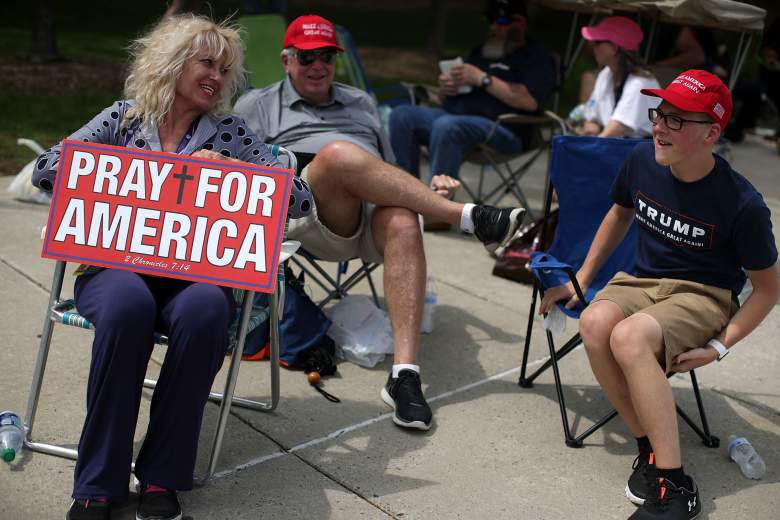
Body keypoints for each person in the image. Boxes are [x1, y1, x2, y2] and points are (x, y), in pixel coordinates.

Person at [32, 14, 313, 520]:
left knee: (207, 311)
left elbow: (299, 200)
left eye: (226, 69)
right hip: (117, 270)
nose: (217, 76)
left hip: (195, 276)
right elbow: (49, 167)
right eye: (207, 62)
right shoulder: (122, 119)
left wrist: (238, 172)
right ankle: (99, 482)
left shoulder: (232, 134)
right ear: (173, 63)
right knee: (126, 307)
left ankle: (162, 476)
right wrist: (146, 173)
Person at [235, 14, 526, 432]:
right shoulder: (256, 106)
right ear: (286, 59)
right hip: (307, 218)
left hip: (367, 215)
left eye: (328, 57)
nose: (318, 66)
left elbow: (389, 171)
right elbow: (245, 176)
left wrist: (429, 190)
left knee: (405, 219)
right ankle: (465, 218)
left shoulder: (360, 102)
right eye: (307, 57)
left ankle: (405, 376)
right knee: (335, 155)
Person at [540, 70, 778, 519]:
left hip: (703, 295)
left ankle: (676, 488)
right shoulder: (641, 160)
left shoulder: (742, 205)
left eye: (676, 121)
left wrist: (718, 347)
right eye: (659, 114)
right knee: (594, 322)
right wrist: (583, 279)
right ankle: (649, 450)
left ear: (711, 133)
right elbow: (618, 214)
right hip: (641, 282)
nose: (660, 127)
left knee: (628, 338)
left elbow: (768, 291)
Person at [387, 0, 555, 181]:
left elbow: (529, 101)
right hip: (453, 117)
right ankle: (406, 195)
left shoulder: (537, 57)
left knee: (447, 126)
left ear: (520, 23)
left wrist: (482, 79)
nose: (494, 27)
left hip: (503, 128)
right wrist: (447, 89)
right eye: (490, 21)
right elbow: (446, 98)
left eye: (501, 22)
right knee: (401, 115)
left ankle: (438, 203)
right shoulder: (478, 53)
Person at [578, 16, 660, 138]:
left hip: (643, 151)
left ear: (614, 48)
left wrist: (588, 146)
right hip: (619, 146)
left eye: (597, 42)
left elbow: (615, 130)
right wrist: (591, 127)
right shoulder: (606, 74)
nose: (593, 47)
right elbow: (592, 117)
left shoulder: (640, 83)